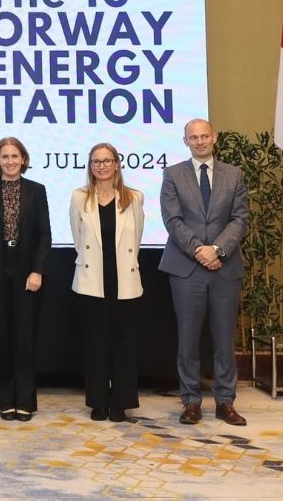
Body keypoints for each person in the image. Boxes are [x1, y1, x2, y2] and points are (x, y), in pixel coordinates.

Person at [160, 119, 249, 426]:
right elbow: (172, 220)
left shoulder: (234, 174)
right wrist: (200, 250)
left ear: (214, 137)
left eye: (204, 136)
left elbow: (239, 219)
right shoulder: (173, 174)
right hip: (186, 268)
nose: (199, 141)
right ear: (185, 141)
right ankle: (191, 402)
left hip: (225, 267)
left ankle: (225, 402)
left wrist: (218, 250)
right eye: (193, 137)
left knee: (224, 339)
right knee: (188, 339)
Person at [0, 137, 51, 422]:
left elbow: (44, 235)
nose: (10, 161)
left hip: (27, 272)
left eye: (15, 156)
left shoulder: (37, 190)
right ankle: (6, 401)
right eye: (4, 157)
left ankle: (25, 401)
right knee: (1, 338)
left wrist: (38, 270)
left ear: (23, 159)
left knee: (25, 339)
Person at [69, 143, 145, 422]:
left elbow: (136, 239)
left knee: (124, 345)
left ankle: (121, 402)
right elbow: (78, 239)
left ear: (116, 164)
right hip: (91, 279)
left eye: (107, 161)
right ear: (90, 166)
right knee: (95, 345)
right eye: (96, 161)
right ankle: (98, 401)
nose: (101, 166)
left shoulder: (134, 197)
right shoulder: (80, 197)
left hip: (124, 278)